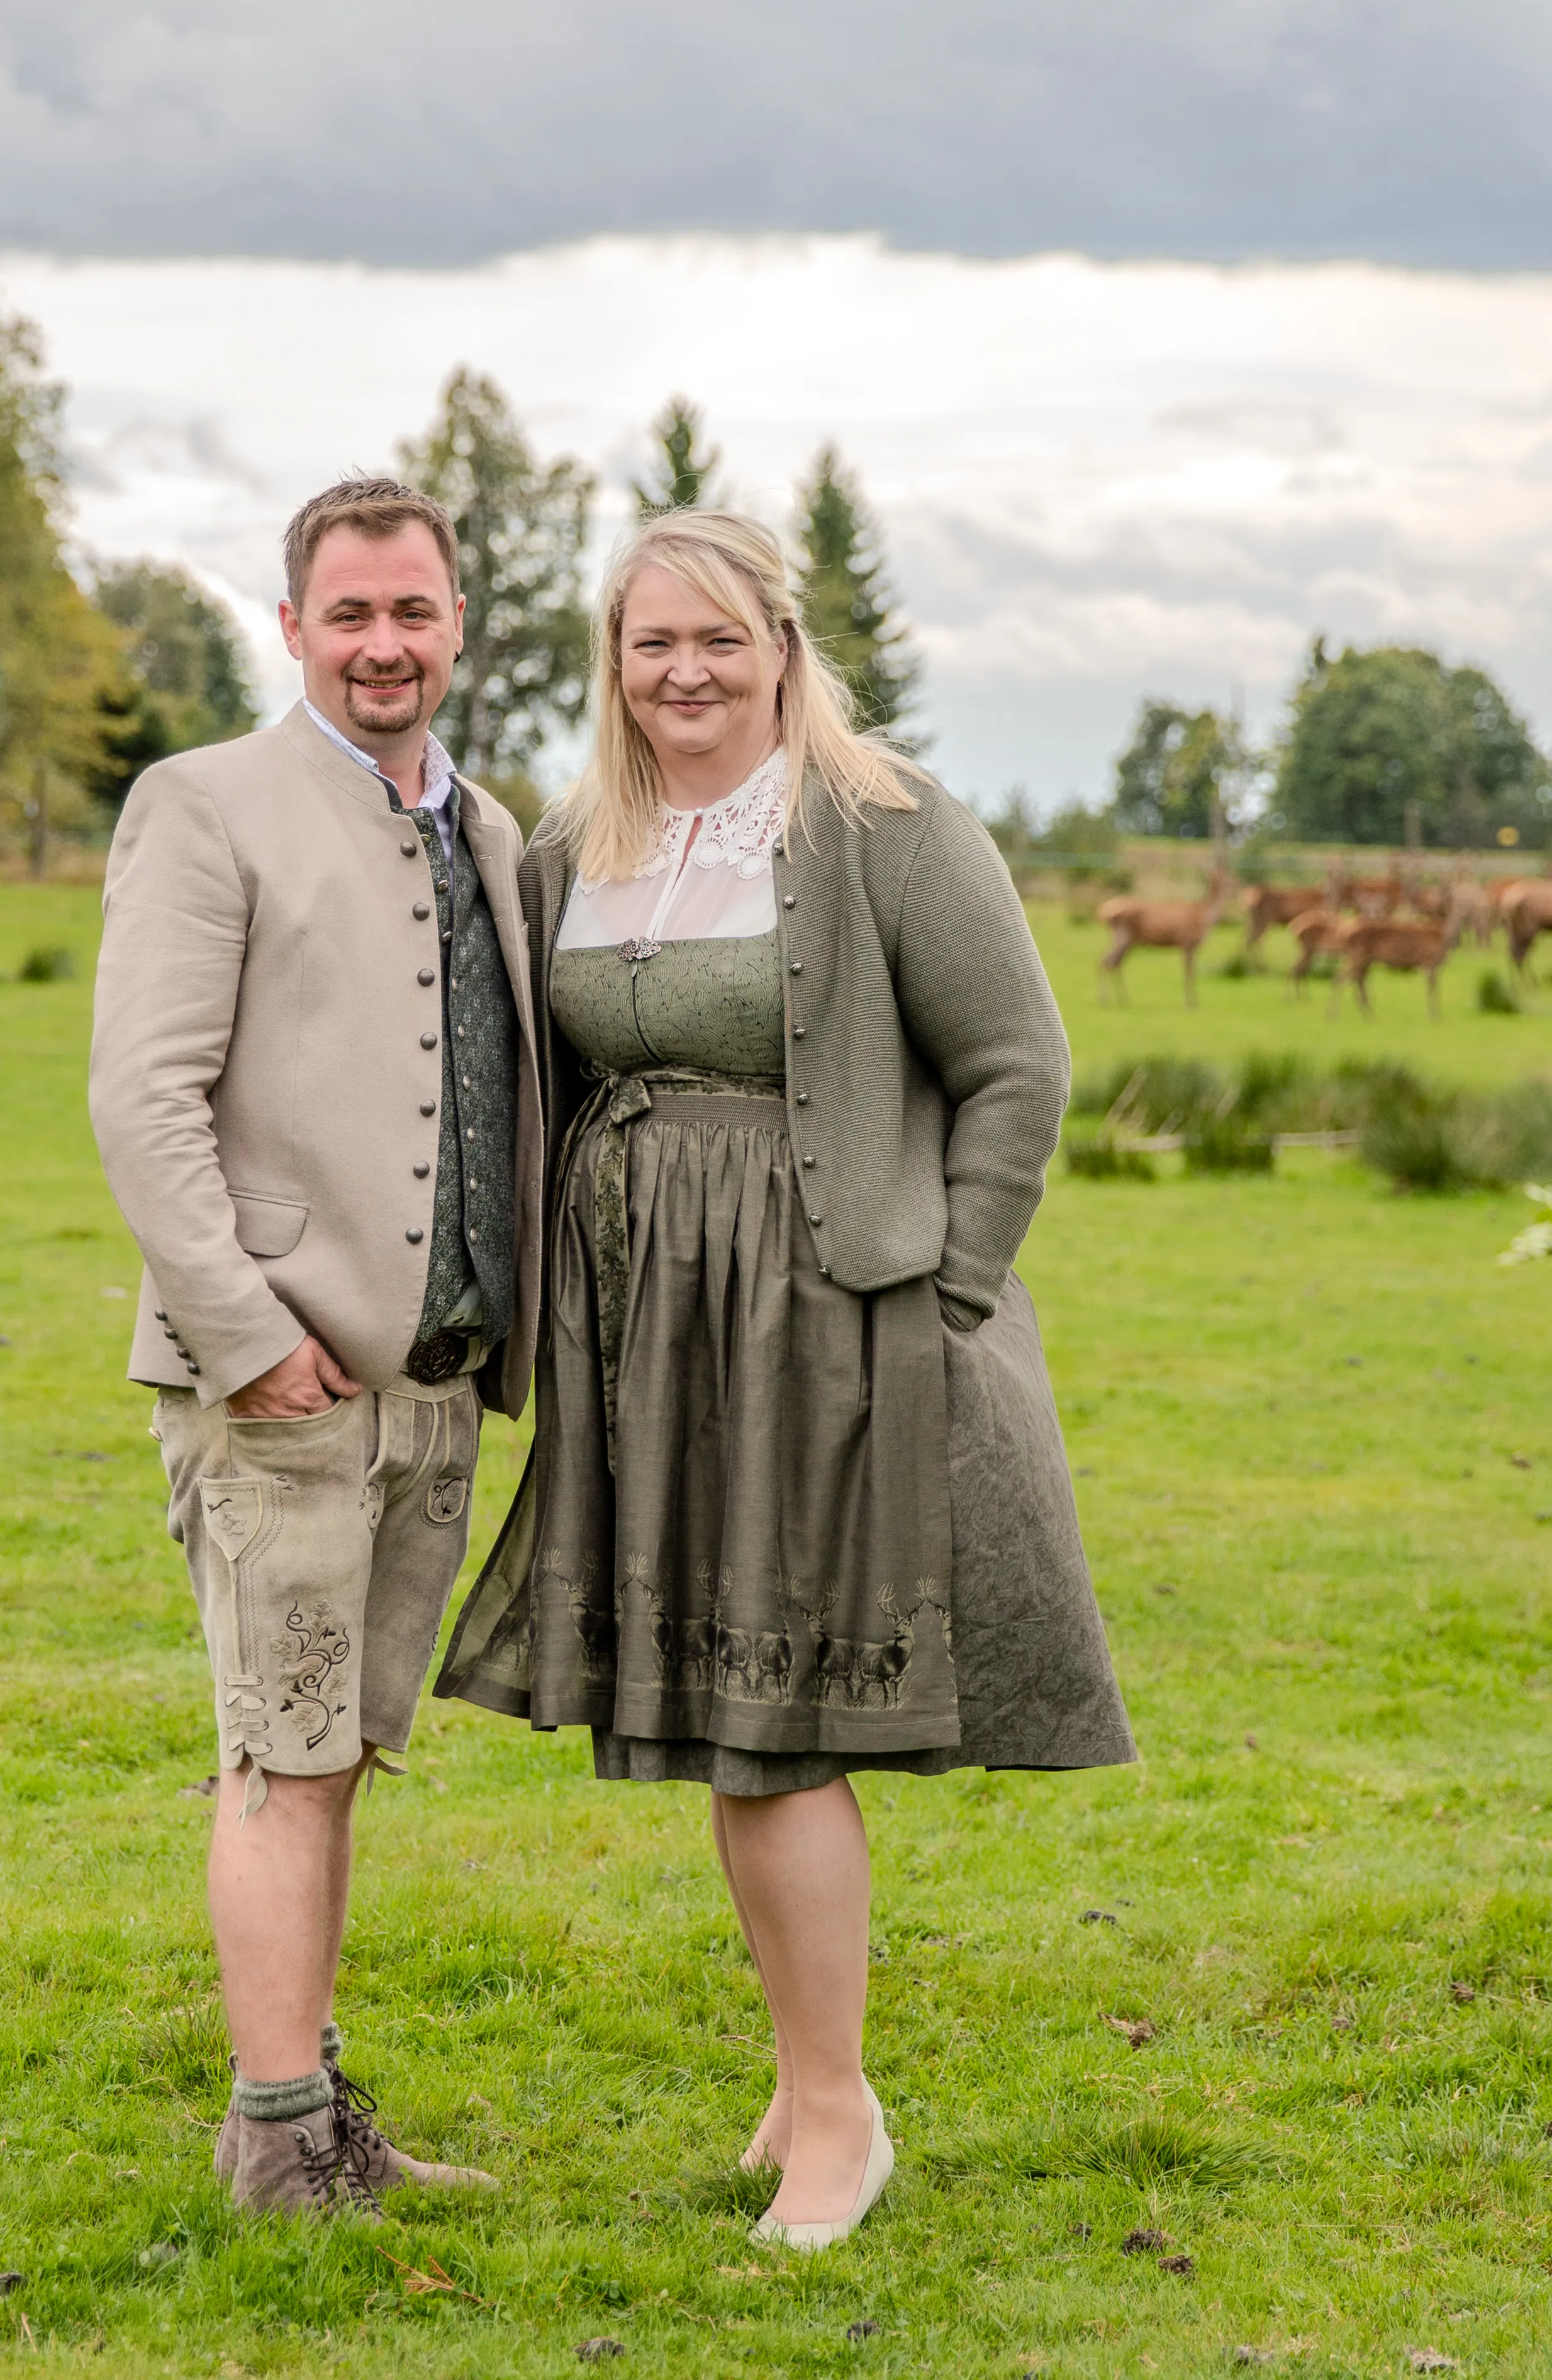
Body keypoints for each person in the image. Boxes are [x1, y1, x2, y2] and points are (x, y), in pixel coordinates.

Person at [438, 507, 1132, 2250]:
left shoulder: (882, 823)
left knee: (778, 1734)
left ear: (782, 651)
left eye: (718, 640)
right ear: (614, 663)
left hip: (833, 1325)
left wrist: (946, 1286)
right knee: (723, 1716)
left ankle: (838, 2115)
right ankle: (807, 2075)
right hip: (652, 1336)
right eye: (652, 643)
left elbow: (1023, 1063)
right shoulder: (575, 846)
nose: (685, 673)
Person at [88, 476, 545, 2215]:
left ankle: (311, 2115)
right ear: (292, 628)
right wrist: (244, 1338)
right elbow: (142, 1098)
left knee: (336, 1754)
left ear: (457, 625)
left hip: (431, 1391)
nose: (383, 644)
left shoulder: (490, 831)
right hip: (279, 1387)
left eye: (413, 611)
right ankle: (280, 2147)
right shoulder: (204, 805)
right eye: (348, 614)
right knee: (279, 1760)